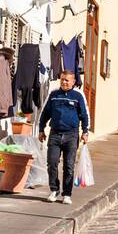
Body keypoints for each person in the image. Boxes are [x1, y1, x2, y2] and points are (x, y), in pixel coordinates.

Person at [38, 69, 90, 205]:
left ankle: (67, 194)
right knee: (52, 163)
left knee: (69, 166)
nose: (64, 82)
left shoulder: (78, 96)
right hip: (55, 134)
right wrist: (41, 129)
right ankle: (54, 190)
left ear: (73, 82)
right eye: (62, 79)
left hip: (71, 135)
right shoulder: (54, 95)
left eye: (67, 80)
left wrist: (85, 131)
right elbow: (45, 113)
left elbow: (85, 115)